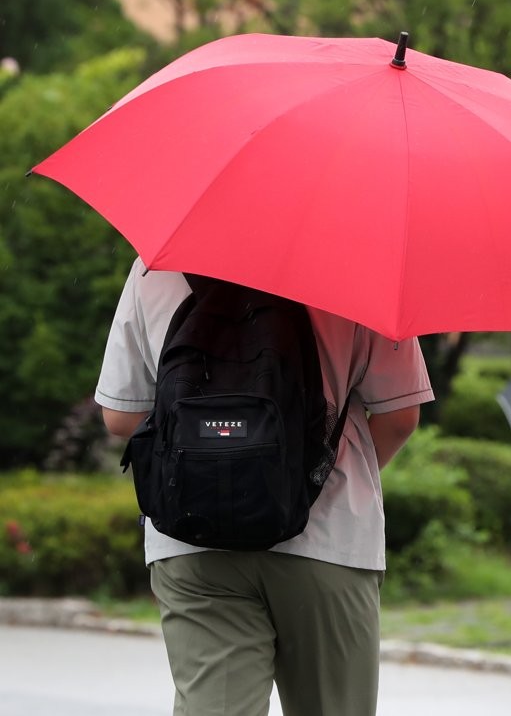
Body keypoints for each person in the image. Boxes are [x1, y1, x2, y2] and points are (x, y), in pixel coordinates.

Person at [96, 258, 434, 716]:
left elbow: (120, 417)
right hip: (328, 539)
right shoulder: (360, 262)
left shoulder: (156, 264)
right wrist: (306, 479)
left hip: (192, 539)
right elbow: (399, 416)